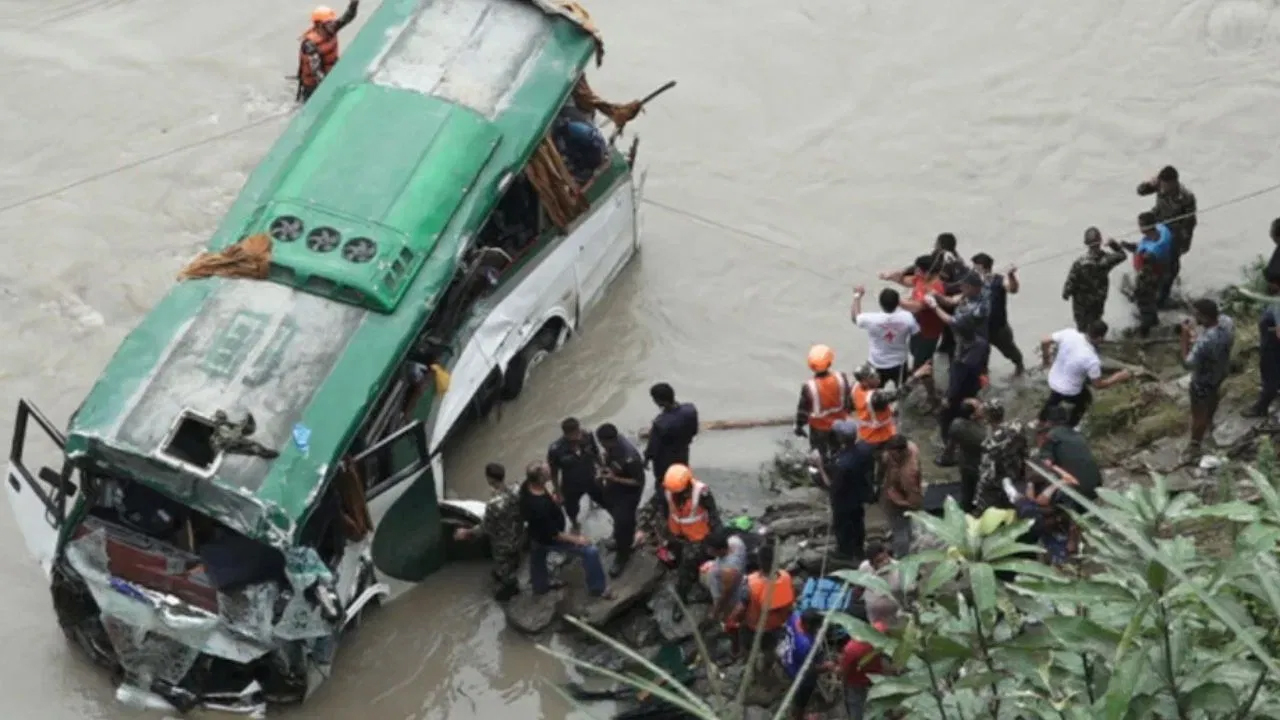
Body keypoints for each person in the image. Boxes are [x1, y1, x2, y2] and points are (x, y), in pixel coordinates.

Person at [519, 462, 611, 598]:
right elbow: (555, 535)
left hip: (535, 532)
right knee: (590, 550)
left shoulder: (527, 486)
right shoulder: (539, 507)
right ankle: (598, 588)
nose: (551, 472)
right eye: (547, 472)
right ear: (539, 479)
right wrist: (578, 539)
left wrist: (552, 499)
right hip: (549, 536)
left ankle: (540, 587)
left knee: (537, 556)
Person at [1038, 321, 1132, 427]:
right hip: (1071, 390)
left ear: (1088, 328)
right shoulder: (1092, 359)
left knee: (1056, 395)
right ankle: (1070, 426)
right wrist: (1118, 377)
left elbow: (1044, 340)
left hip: (1053, 379)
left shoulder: (1069, 333)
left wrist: (1046, 360)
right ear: (1100, 339)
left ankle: (1041, 419)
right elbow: (1098, 385)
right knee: (1085, 399)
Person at [453, 463, 524, 601]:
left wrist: (466, 532)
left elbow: (486, 527)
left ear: (489, 479)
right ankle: (511, 575)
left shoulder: (493, 505)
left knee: (504, 567)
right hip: (519, 535)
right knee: (514, 558)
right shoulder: (517, 489)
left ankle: (511, 588)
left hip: (503, 543)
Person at [656, 464, 723, 600]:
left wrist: (718, 538)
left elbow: (713, 514)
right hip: (675, 533)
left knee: (687, 566)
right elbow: (661, 507)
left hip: (697, 536)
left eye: (679, 492)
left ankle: (681, 596)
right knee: (677, 557)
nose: (676, 495)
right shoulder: (667, 489)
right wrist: (662, 528)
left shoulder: (702, 493)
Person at [1180, 299, 1236, 460]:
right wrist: (1196, 333)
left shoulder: (1205, 342)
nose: (1193, 317)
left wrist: (1184, 337)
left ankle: (1195, 444)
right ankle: (1210, 423)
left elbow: (1187, 363)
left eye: (1196, 315)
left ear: (1204, 317)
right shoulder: (1227, 323)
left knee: (1198, 414)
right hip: (1220, 371)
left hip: (1202, 380)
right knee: (1213, 397)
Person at [929, 320, 988, 466]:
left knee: (946, 417)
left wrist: (947, 399)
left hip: (959, 392)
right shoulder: (981, 343)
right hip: (973, 386)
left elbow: (955, 383)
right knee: (966, 414)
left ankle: (949, 447)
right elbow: (983, 364)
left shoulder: (960, 362)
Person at [1137, 165, 1197, 307]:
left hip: (1174, 230)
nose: (1163, 188)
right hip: (1157, 222)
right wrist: (1148, 184)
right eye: (1161, 184)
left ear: (1174, 182)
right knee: (1149, 255)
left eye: (1166, 185)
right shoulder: (1159, 184)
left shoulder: (1186, 197)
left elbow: (1190, 222)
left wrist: (1182, 243)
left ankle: (1163, 297)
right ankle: (1149, 284)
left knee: (1172, 266)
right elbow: (1140, 191)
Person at [814, 420, 874, 559]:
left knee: (842, 528)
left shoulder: (843, 464)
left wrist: (820, 466)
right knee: (858, 524)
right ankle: (859, 550)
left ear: (840, 437)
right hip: (859, 496)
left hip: (843, 501)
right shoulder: (864, 449)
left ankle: (845, 553)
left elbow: (831, 485)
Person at [726, 543, 795, 657]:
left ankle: (747, 655)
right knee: (771, 647)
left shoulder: (751, 584)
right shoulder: (786, 576)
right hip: (779, 624)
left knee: (751, 645)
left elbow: (741, 608)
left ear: (759, 562)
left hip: (757, 628)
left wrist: (731, 621)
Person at [595, 423, 646, 577]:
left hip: (629, 494)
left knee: (623, 524)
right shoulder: (612, 447)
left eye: (602, 443)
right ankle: (619, 541)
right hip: (616, 488)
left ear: (609, 440)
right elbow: (611, 462)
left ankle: (623, 555)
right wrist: (605, 469)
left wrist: (614, 478)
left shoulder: (630, 457)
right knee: (618, 520)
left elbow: (638, 481)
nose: (601, 446)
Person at [1062, 227, 1128, 332]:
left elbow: (1070, 283)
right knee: (1095, 325)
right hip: (1098, 300)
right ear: (1100, 242)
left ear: (1086, 243)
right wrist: (1113, 244)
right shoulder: (1107, 259)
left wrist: (1066, 294)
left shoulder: (1079, 262)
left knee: (1082, 328)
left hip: (1081, 304)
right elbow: (1122, 255)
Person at [852, 286, 919, 388]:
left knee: (873, 392)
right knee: (902, 390)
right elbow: (916, 332)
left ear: (880, 303)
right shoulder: (907, 317)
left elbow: (855, 318)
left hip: (876, 362)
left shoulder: (871, 319)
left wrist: (857, 297)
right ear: (898, 303)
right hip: (899, 362)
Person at [1120, 212, 1174, 337]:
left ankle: (1147, 329)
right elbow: (1141, 246)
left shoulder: (1150, 253)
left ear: (1145, 227)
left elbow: (1140, 254)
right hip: (1164, 270)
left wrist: (1122, 247)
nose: (1138, 227)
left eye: (1140, 225)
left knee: (1144, 301)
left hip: (1150, 276)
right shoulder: (1163, 230)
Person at [794, 344, 853, 460]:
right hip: (839, 423)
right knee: (837, 450)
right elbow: (848, 400)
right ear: (830, 362)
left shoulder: (809, 386)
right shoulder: (841, 378)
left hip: (818, 428)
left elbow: (803, 411)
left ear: (811, 366)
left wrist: (799, 426)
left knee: (819, 453)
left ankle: (820, 470)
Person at [970, 253, 1025, 375]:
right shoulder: (972, 282)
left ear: (983, 268)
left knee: (1010, 352)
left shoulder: (998, 280)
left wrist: (1011, 275)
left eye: (975, 267)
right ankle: (983, 379)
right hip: (979, 329)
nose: (972, 270)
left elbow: (1013, 289)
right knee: (980, 358)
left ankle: (1020, 367)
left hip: (998, 328)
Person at [547, 418, 605, 532]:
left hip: (591, 478)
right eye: (573, 435)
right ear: (565, 434)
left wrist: (603, 469)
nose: (577, 437)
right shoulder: (556, 449)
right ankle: (575, 524)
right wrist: (558, 492)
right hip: (571, 485)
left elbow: (596, 453)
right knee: (571, 510)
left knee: (605, 501)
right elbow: (554, 473)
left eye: (578, 432)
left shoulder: (587, 436)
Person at [974, 401, 1031, 513]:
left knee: (988, 506)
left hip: (998, 479)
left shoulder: (990, 444)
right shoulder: (1017, 427)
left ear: (986, 419)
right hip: (1016, 470)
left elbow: (988, 469)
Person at [297, 2, 360, 103]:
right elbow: (316, 72)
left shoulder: (332, 29)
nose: (333, 24)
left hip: (329, 75)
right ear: (319, 25)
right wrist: (330, 88)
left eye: (332, 21)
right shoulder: (310, 44)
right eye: (329, 22)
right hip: (312, 86)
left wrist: (354, 2)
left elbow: (349, 16)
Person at [776, 610, 830, 720]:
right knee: (801, 698)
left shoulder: (794, 617)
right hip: (798, 672)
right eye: (816, 627)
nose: (817, 629)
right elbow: (810, 669)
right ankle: (799, 717)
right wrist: (828, 666)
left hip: (787, 657)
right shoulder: (805, 644)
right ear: (808, 625)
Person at [644, 382, 699, 485]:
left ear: (659, 401)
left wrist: (646, 459)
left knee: (664, 482)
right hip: (683, 451)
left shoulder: (660, 423)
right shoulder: (690, 410)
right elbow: (694, 431)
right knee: (682, 475)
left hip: (665, 459)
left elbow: (653, 447)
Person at [880, 434, 923, 557]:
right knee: (905, 527)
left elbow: (915, 503)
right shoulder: (911, 447)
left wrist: (898, 500)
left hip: (900, 502)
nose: (889, 456)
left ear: (901, 452)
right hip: (894, 488)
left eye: (893, 454)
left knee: (900, 531)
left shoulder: (908, 474)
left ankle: (901, 557)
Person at [840, 614, 890, 720]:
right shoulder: (878, 631)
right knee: (878, 704)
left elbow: (843, 671)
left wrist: (841, 679)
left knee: (856, 707)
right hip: (876, 677)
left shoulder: (851, 649)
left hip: (855, 682)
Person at [1245, 270, 1280, 418]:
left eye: (1271, 282)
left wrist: (1271, 330)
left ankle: (1261, 408)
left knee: (1270, 376)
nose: (1268, 285)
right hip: (1271, 344)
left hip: (1272, 346)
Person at [947, 398, 989, 511]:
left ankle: (966, 511)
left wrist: (949, 457)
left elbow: (951, 446)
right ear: (973, 416)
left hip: (965, 463)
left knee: (966, 492)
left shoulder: (956, 425)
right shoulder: (984, 432)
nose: (982, 406)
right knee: (983, 493)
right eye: (979, 407)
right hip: (980, 466)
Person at [702, 528, 750, 624]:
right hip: (726, 575)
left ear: (722, 550)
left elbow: (726, 594)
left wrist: (716, 611)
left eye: (711, 550)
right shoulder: (735, 541)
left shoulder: (729, 570)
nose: (708, 551)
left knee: (727, 611)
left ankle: (725, 620)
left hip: (731, 593)